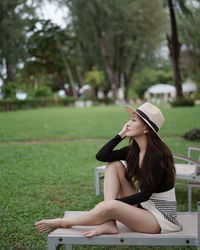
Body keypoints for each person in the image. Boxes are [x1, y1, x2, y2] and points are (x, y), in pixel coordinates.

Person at [35, 102, 182, 237]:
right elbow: (102, 156)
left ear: (145, 129)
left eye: (133, 120)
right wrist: (120, 135)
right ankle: (109, 223)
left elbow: (144, 195)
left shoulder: (158, 156)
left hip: (159, 219)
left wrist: (113, 204)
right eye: (130, 119)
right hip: (144, 207)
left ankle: (62, 222)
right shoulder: (135, 150)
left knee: (111, 205)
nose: (128, 123)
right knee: (113, 165)